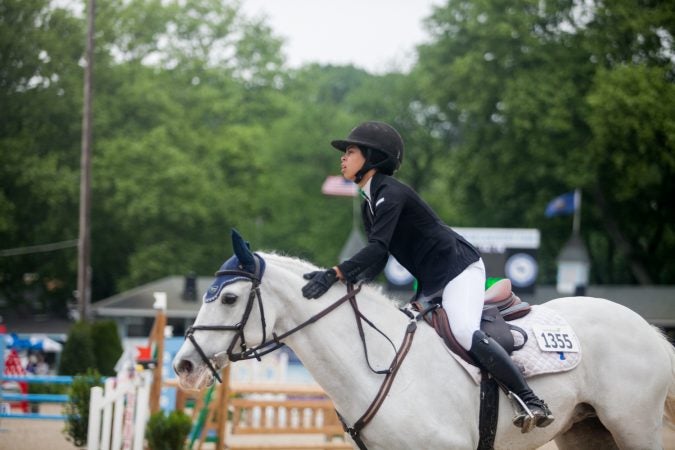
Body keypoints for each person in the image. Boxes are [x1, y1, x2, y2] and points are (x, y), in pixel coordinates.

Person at [301, 121, 553, 431]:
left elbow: (378, 250)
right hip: (433, 282)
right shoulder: (370, 205)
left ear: (373, 158)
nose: (342, 158)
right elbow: (377, 261)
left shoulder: (390, 193)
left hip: (460, 269)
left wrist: (336, 272)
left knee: (462, 329)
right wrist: (339, 284)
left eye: (350, 152)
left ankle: (529, 398)